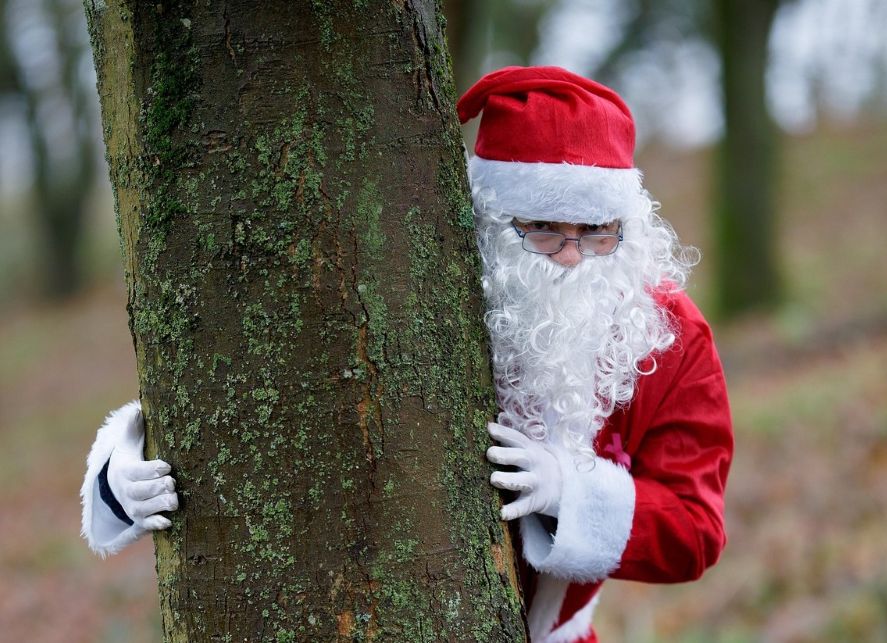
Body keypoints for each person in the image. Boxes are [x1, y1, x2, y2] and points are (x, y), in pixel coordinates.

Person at [80, 66, 733, 643]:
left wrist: (573, 491)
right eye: (542, 230)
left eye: (597, 233)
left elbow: (697, 528)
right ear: (492, 223)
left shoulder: (668, 333)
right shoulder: (427, 298)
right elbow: (275, 391)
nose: (571, 256)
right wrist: (122, 473)